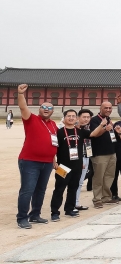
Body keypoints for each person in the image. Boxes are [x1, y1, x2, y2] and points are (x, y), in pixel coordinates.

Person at [15, 84, 58, 229]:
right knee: (27, 189)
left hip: (47, 163)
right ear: (39, 109)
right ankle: (22, 217)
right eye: (43, 107)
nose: (46, 109)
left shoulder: (53, 125)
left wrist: (54, 160)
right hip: (29, 161)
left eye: (49, 108)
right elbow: (22, 108)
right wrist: (21, 94)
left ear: (53, 111)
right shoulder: (31, 119)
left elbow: (54, 144)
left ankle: (35, 214)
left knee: (41, 190)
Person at [50, 109, 91, 221]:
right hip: (63, 166)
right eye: (69, 116)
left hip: (77, 165)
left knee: (73, 188)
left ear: (76, 118)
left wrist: (103, 126)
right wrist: (54, 161)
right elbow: (52, 147)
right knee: (59, 188)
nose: (71, 118)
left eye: (73, 116)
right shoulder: (59, 132)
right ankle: (54, 212)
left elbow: (95, 134)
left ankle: (69, 209)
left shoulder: (80, 132)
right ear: (64, 118)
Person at [88, 102, 119, 208]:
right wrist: (105, 128)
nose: (108, 109)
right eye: (106, 108)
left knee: (109, 176)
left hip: (111, 152)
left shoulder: (109, 120)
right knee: (98, 177)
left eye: (110, 108)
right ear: (100, 108)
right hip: (100, 153)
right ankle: (97, 199)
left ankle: (106, 197)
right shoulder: (94, 120)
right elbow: (94, 134)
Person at [75, 109, 93, 211]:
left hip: (86, 155)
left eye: (88, 117)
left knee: (80, 182)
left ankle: (76, 203)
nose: (86, 119)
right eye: (84, 117)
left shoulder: (87, 128)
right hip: (77, 158)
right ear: (78, 117)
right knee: (74, 181)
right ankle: (71, 204)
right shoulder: (74, 128)